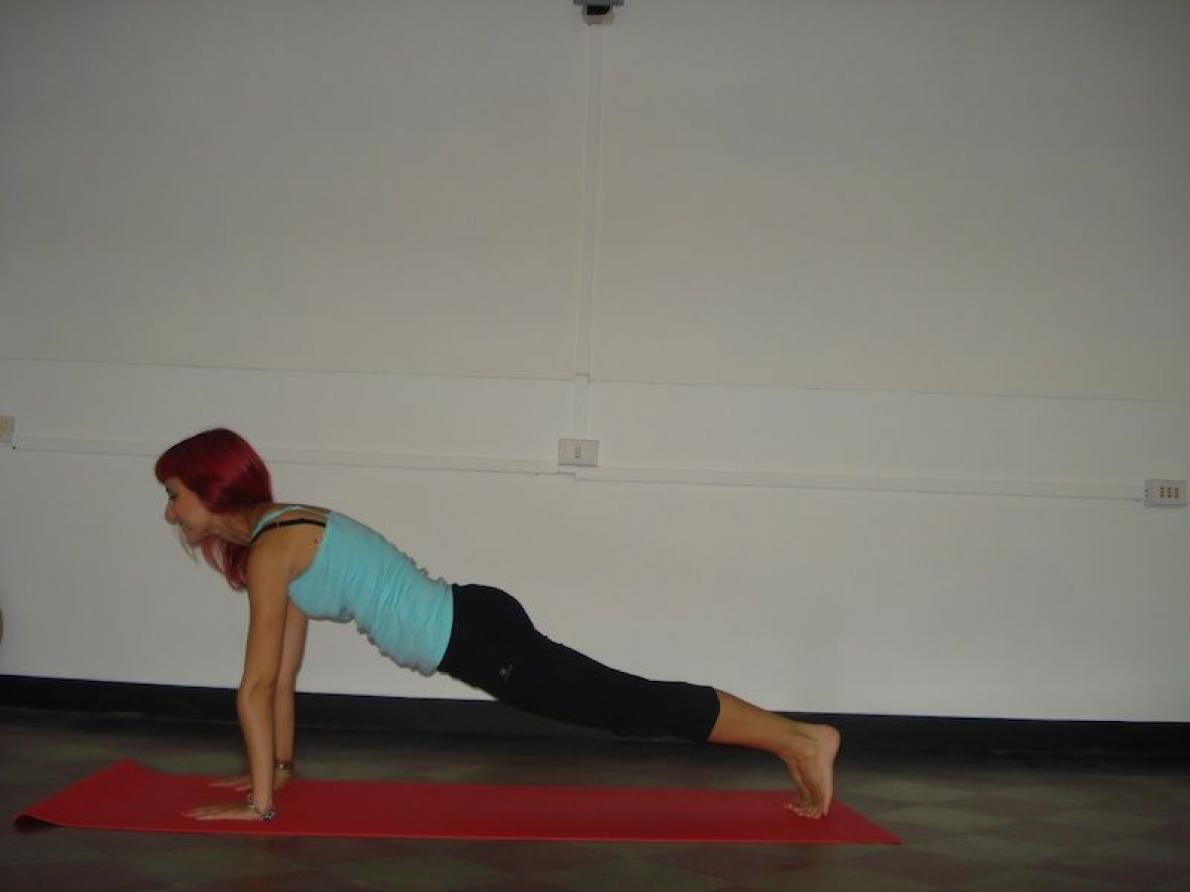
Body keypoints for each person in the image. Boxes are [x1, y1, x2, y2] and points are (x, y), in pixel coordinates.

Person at [156, 428, 840, 823]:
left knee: (629, 706)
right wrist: (275, 771)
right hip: (475, 624)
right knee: (626, 703)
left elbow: (254, 686)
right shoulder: (279, 534)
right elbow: (279, 678)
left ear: (211, 487)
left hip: (476, 638)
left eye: (174, 495)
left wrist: (260, 808)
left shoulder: (274, 547)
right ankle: (793, 741)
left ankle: (801, 739)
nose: (170, 512)